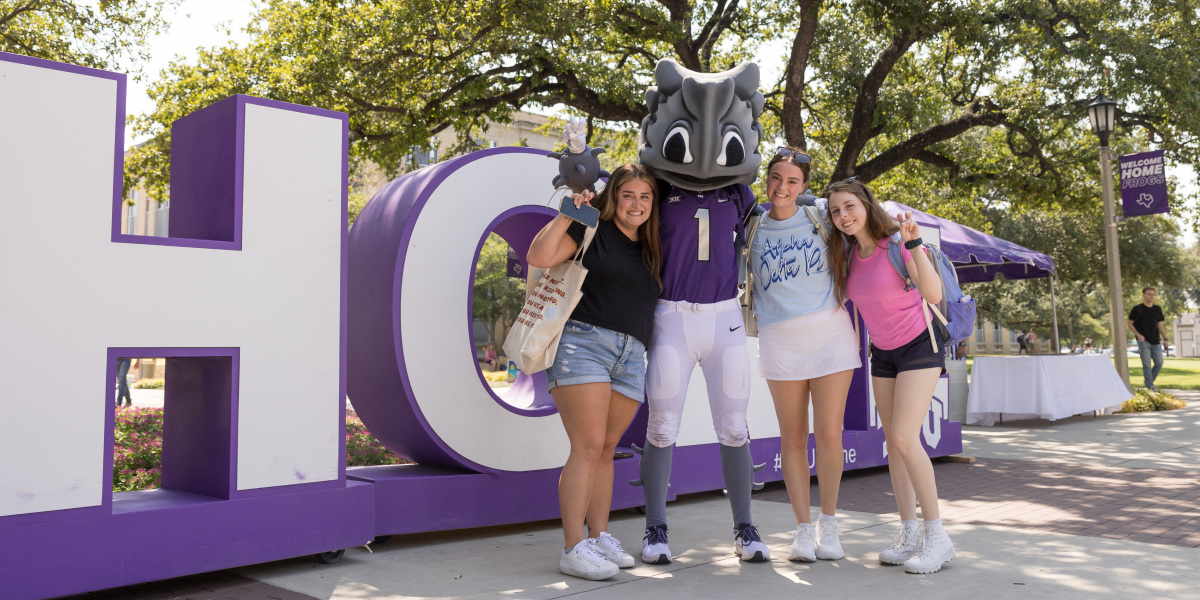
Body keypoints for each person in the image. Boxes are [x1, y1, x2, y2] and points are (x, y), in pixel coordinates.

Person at [527, 163, 663, 581]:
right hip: (582, 345)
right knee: (586, 448)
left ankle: (599, 535)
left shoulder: (651, 248)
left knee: (606, 450)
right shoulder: (591, 229)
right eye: (628, 196)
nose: (636, 204)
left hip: (631, 355)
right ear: (614, 197)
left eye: (644, 197)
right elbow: (539, 257)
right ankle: (572, 548)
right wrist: (568, 213)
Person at [826, 178, 956, 574]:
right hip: (882, 353)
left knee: (903, 437)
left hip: (920, 345)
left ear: (866, 204)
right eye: (835, 211)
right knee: (894, 443)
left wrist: (914, 243)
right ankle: (909, 531)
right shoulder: (847, 256)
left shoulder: (896, 245)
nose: (843, 216)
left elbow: (933, 295)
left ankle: (937, 536)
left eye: (849, 206)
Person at [748, 147, 860, 562]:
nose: (783, 187)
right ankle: (800, 528)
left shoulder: (820, 220)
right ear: (768, 179)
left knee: (829, 434)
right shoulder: (752, 225)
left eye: (792, 181)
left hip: (830, 334)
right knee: (792, 437)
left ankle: (828, 524)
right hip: (779, 339)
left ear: (804, 186)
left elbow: (863, 238)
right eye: (777, 178)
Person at [1128, 287, 1168, 390]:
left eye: (1153, 294)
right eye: (1149, 294)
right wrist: (1138, 335)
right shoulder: (1137, 309)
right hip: (1143, 341)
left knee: (1159, 363)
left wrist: (1166, 339)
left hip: (1156, 341)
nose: (1151, 296)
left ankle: (1148, 381)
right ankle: (1150, 387)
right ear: (1143, 295)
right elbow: (1130, 324)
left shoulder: (1157, 309)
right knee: (1147, 365)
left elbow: (1160, 325)